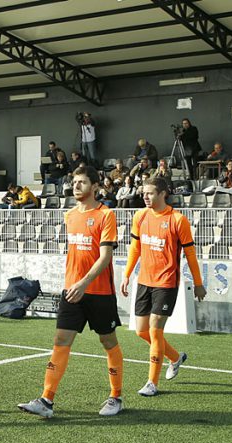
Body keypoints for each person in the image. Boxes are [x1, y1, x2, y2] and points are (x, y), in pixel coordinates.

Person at [18, 166, 125, 418]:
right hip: (72, 290)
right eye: (75, 182)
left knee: (108, 341)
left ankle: (116, 396)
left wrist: (84, 283)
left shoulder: (105, 215)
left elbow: (106, 256)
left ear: (96, 186)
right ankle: (46, 400)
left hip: (98, 292)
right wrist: (73, 284)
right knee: (60, 341)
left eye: (83, 182)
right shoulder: (69, 216)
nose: (76, 186)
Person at [120, 177, 207, 397]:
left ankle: (152, 382)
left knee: (155, 329)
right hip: (144, 281)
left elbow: (190, 255)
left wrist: (198, 283)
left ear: (162, 194)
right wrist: (127, 274)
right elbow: (135, 249)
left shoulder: (178, 220)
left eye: (149, 193)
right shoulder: (140, 216)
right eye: (143, 193)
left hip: (166, 282)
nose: (145, 197)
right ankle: (175, 358)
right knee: (142, 331)